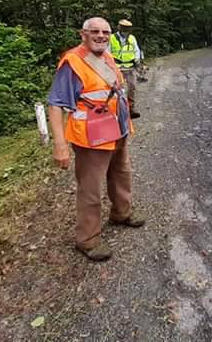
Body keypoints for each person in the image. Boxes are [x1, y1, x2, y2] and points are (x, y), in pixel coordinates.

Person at [48, 17, 145, 262]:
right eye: (95, 32)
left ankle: (121, 213)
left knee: (122, 174)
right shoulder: (73, 62)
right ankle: (87, 240)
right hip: (91, 137)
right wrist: (60, 145)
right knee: (90, 189)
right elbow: (56, 104)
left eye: (105, 32)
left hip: (117, 129)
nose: (101, 35)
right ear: (83, 34)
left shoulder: (108, 57)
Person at [109, 19, 142, 119]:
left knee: (132, 88)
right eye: (123, 28)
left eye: (127, 28)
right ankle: (117, 111)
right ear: (119, 28)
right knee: (118, 90)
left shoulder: (132, 38)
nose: (125, 30)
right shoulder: (112, 38)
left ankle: (131, 109)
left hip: (131, 67)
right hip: (117, 68)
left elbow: (136, 50)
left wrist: (137, 60)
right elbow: (107, 52)